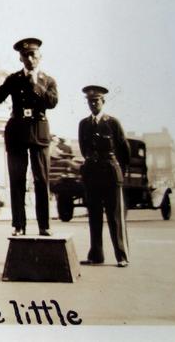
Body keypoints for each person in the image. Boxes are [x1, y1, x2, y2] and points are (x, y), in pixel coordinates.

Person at [0, 37, 58, 236]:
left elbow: (52, 102)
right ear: (20, 58)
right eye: (25, 55)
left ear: (40, 56)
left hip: (39, 133)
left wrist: (36, 85)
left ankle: (44, 226)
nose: (29, 59)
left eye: (33, 55)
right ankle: (19, 225)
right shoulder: (13, 79)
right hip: (17, 133)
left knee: (41, 180)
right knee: (17, 180)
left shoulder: (48, 81)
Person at [78, 85, 131, 268]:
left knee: (115, 217)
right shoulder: (84, 124)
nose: (93, 104)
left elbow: (124, 150)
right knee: (94, 216)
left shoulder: (112, 123)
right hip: (92, 175)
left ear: (103, 101)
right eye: (90, 101)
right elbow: (84, 149)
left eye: (96, 101)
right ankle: (96, 255)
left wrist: (119, 173)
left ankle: (121, 255)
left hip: (110, 175)